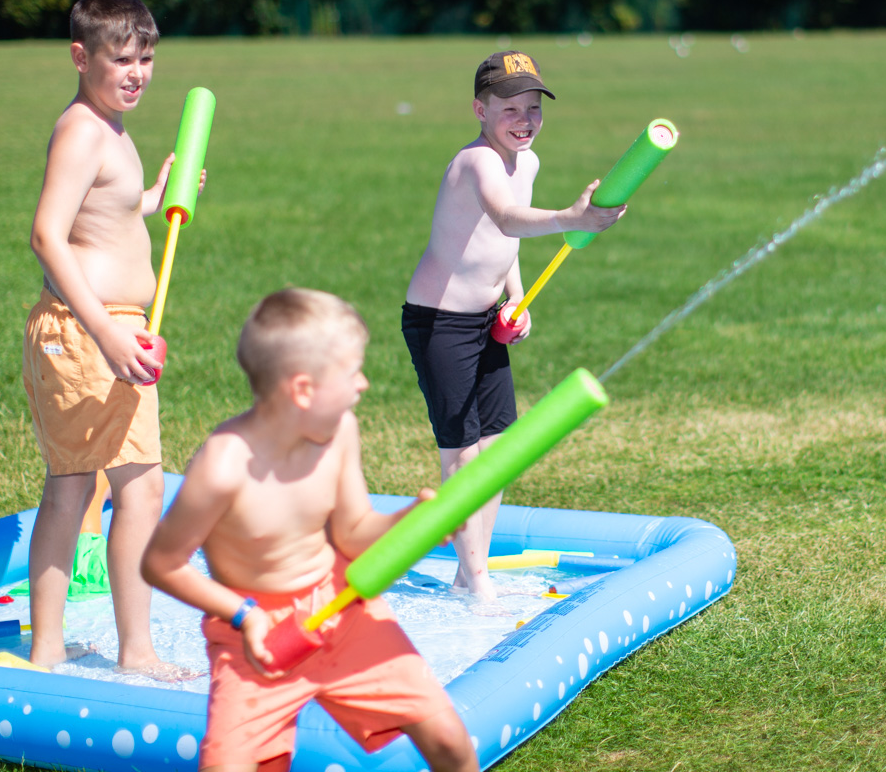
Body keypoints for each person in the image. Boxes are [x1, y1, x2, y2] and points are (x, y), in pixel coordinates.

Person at [141, 289, 477, 772]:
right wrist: (244, 615)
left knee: (446, 736)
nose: (363, 383)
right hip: (253, 638)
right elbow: (160, 563)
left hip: (340, 609)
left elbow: (354, 532)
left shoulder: (340, 431)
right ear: (302, 389)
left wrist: (410, 523)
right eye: (351, 372)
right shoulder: (224, 467)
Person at [22, 0, 200, 676]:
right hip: (89, 332)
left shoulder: (109, 129)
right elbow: (48, 234)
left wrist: (154, 198)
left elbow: (105, 219)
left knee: (76, 487)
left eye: (146, 58)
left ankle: (49, 652)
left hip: (97, 332)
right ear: (80, 56)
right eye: (121, 58)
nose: (137, 72)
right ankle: (135, 651)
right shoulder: (83, 129)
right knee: (134, 489)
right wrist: (106, 334)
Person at [402, 51, 624, 602]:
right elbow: (505, 216)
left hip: (485, 319)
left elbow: (508, 240)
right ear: (480, 109)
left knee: (498, 444)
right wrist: (572, 219)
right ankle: (476, 578)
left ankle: (466, 573)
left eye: (533, 108)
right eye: (510, 108)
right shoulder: (476, 162)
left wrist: (516, 297)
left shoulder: (528, 162)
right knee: (462, 448)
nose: (524, 119)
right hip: (440, 323)